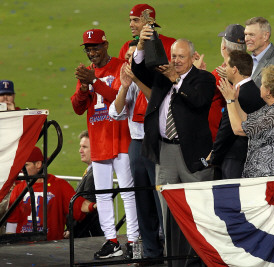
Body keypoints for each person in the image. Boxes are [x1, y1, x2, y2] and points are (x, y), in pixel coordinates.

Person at [132, 29, 215, 266]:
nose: (176, 61)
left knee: (199, 211)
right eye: (173, 56)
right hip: (165, 152)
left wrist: (175, 80)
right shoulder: (161, 75)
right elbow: (138, 70)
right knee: (168, 212)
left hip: (191, 154)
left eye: (181, 57)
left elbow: (198, 101)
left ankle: (201, 260)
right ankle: (173, 262)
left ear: (192, 57)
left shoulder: (204, 79)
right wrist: (140, 44)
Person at [71, 29, 139, 259]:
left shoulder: (121, 66)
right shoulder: (88, 72)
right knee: (102, 194)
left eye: (96, 47)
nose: (92, 53)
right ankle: (111, 241)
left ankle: (132, 240)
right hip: (99, 139)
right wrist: (82, 88)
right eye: (88, 49)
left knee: (128, 193)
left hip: (120, 137)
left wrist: (94, 82)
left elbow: (119, 98)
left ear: (106, 45)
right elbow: (78, 107)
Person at [109, 40, 164, 266]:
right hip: (137, 143)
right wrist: (123, 86)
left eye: (136, 56)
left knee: (161, 199)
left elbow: (157, 102)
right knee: (142, 197)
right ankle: (152, 251)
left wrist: (138, 79)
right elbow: (116, 112)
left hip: (158, 143)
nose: (132, 60)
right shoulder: (129, 83)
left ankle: (171, 248)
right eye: (129, 57)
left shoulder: (158, 76)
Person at [218, 64, 274, 178]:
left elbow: (239, 129)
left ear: (268, 91)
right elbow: (247, 120)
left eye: (262, 84)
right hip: (266, 178)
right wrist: (235, 100)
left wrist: (229, 101)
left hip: (271, 180)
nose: (259, 87)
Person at [6, 147, 96, 240]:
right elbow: (12, 221)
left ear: (38, 164)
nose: (22, 169)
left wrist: (95, 206)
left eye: (26, 165)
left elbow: (79, 204)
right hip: (23, 246)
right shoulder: (18, 189)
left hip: (51, 247)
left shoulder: (60, 186)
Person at [210, 50, 266, 179]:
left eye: (226, 66)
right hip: (252, 158)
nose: (225, 69)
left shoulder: (237, 96)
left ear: (234, 69)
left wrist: (213, 158)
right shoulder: (255, 90)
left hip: (234, 160)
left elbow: (225, 132)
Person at [65, 130, 104, 238]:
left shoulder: (95, 174)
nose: (80, 150)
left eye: (84, 147)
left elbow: (87, 210)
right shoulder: (91, 171)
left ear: (95, 148)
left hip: (87, 236)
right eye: (80, 146)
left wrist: (71, 231)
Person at [244, 17, 274, 88]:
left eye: (251, 35)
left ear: (265, 36)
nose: (246, 39)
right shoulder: (246, 60)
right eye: (246, 34)